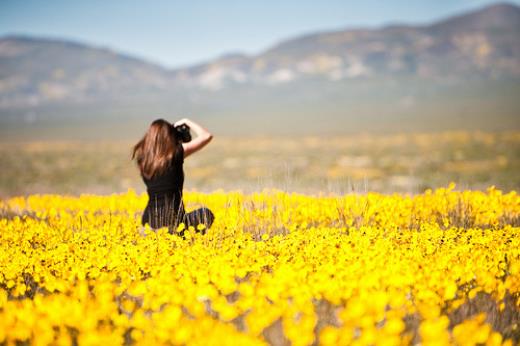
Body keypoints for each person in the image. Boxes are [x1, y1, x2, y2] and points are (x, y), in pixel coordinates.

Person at [132, 118, 214, 236]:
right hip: (173, 223)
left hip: (147, 224)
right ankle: (186, 245)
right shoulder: (175, 155)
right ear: (168, 136)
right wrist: (187, 121)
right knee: (205, 214)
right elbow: (206, 136)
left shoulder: (143, 160)